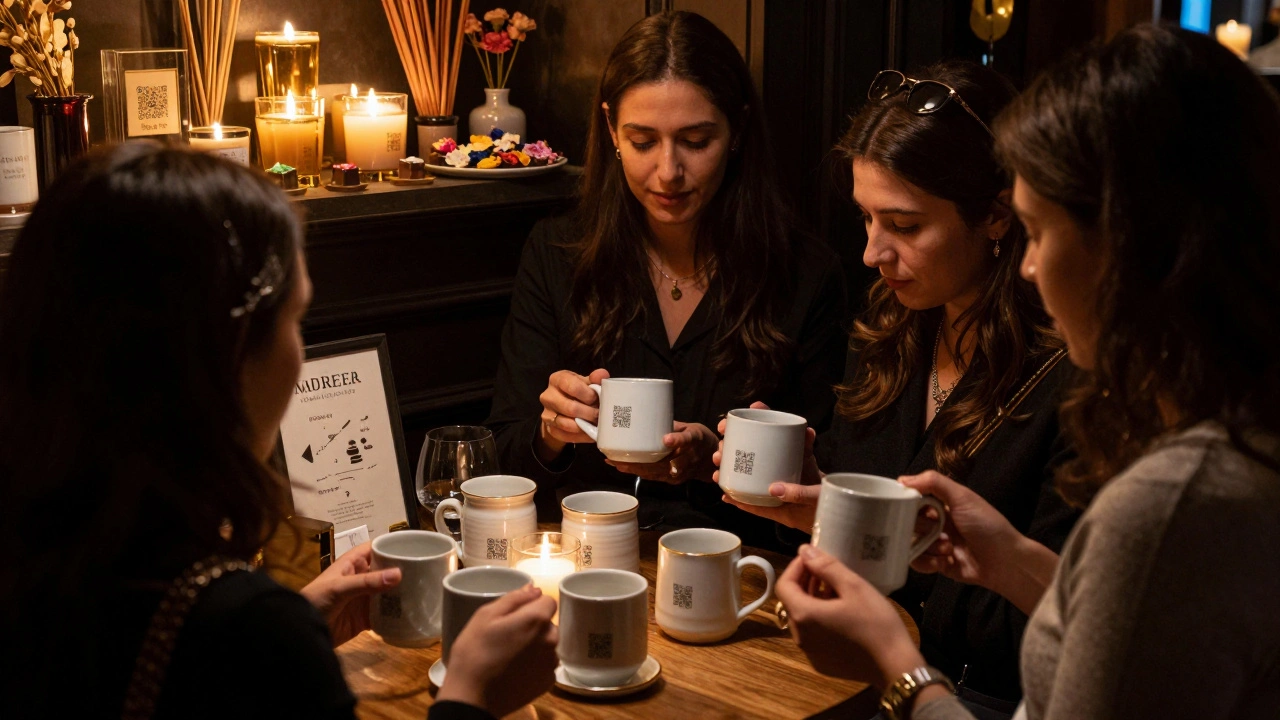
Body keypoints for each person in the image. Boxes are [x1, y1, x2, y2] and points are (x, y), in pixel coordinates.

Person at [775, 24, 1280, 720]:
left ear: (1127, 247)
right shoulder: (1230, 435)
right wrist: (1009, 559)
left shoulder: (1175, 498)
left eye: (1038, 232)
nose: (1032, 267)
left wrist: (897, 668)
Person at [0, 144, 557, 719]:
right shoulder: (247, 632)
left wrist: (293, 622)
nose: (300, 354)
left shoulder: (42, 560)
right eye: (296, 319)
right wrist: (472, 698)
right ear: (231, 356)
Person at [714, 60, 1078, 713]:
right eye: (865, 219)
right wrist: (819, 505)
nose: (872, 254)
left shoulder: (1069, 370)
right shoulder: (891, 326)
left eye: (904, 226)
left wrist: (890, 574)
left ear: (997, 217)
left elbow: (1062, 624)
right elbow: (861, 553)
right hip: (863, 683)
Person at [485, 10, 847, 549]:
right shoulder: (559, 253)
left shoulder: (804, 275)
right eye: (642, 141)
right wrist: (551, 432)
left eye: (696, 141)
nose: (668, 171)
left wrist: (712, 466)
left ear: (738, 129)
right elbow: (503, 456)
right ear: (611, 130)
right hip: (591, 558)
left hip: (740, 571)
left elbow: (827, 487)